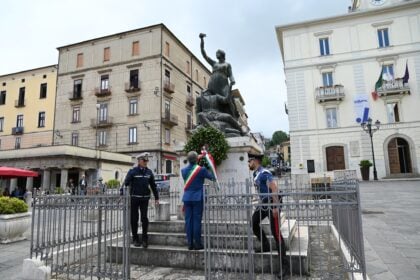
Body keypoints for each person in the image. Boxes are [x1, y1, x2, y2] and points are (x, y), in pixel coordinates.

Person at [248, 153, 290, 279]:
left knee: (276, 233)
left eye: (249, 161)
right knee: (253, 222)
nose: (248, 163)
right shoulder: (256, 174)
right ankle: (265, 245)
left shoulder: (264, 172)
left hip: (271, 203)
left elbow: (274, 188)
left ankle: (285, 267)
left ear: (255, 161)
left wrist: (276, 207)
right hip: (263, 203)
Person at [124, 152, 159, 248]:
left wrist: (156, 197)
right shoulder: (133, 172)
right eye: (144, 160)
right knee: (134, 219)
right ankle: (135, 238)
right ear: (139, 161)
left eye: (146, 161)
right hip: (134, 198)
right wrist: (122, 194)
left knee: (144, 218)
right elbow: (125, 183)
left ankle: (144, 239)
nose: (146, 162)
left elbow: (153, 185)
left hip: (145, 199)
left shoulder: (149, 172)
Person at [181, 151, 215, 250]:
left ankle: (190, 243)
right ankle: (197, 243)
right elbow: (212, 177)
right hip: (197, 198)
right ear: (197, 159)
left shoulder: (183, 170)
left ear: (188, 159)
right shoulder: (201, 170)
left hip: (187, 198)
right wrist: (209, 165)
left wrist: (197, 160)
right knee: (196, 221)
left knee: (188, 221)